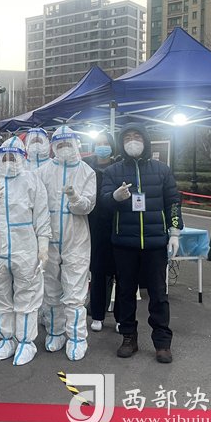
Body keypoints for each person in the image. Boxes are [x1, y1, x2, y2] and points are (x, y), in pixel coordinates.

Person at [100, 122, 183, 364]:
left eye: (137, 136)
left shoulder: (161, 170)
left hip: (155, 243)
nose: (132, 141)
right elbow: (103, 203)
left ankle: (162, 342)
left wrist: (175, 232)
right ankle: (128, 337)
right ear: (121, 142)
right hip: (124, 243)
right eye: (127, 137)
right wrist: (115, 197)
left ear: (145, 140)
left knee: (158, 294)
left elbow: (173, 202)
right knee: (125, 292)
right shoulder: (113, 171)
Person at [0, 136, 51, 366]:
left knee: (27, 294)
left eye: (13, 157)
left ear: (22, 158)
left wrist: (43, 246)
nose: (9, 161)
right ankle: (6, 338)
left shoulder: (32, 180)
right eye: (5, 157)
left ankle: (26, 342)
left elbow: (41, 215)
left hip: (25, 248)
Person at [37, 126, 96, 361]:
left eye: (67, 144)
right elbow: (37, 207)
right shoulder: (43, 171)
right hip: (49, 239)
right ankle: (55, 332)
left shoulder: (86, 171)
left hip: (76, 239)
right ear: (53, 147)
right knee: (51, 290)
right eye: (59, 144)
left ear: (75, 144)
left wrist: (75, 198)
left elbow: (87, 206)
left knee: (74, 292)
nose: (63, 148)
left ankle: (77, 337)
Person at [84, 132, 118, 332]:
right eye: (99, 143)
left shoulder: (119, 166)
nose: (102, 146)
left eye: (106, 143)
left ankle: (121, 317)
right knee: (97, 271)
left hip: (117, 223)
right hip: (93, 223)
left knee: (120, 272)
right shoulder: (86, 165)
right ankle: (97, 313)